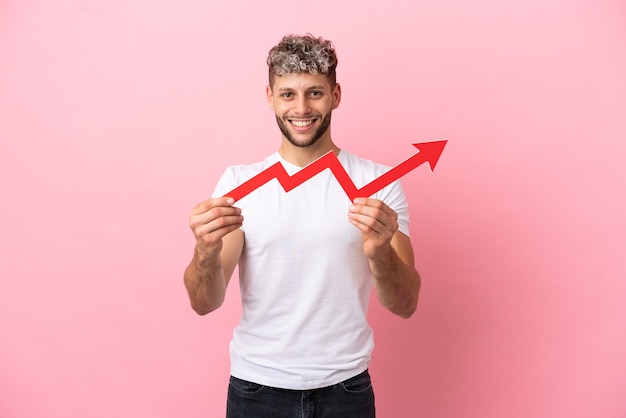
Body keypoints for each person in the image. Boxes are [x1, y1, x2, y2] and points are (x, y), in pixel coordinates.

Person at [183, 34, 420, 418]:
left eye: (315, 93)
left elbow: (406, 304)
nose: (302, 108)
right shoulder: (238, 183)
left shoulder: (379, 183)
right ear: (270, 97)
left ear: (336, 95)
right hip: (255, 390)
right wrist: (204, 252)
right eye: (288, 94)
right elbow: (204, 302)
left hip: (346, 390)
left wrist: (380, 253)